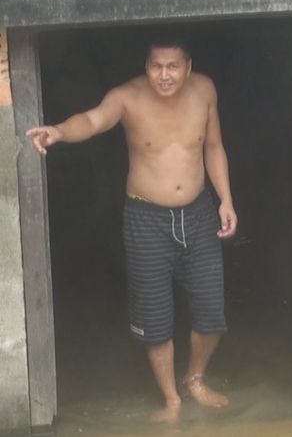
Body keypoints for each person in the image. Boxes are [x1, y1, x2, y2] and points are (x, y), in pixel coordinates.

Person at [26, 35, 237, 422]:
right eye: (156, 65)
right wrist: (58, 131)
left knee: (210, 310)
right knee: (155, 317)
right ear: (146, 66)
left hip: (199, 212)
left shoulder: (205, 89)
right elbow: (91, 120)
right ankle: (171, 399)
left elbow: (213, 147)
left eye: (173, 66)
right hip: (146, 218)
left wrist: (225, 198)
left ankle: (195, 378)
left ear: (188, 67)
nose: (165, 75)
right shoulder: (127, 97)